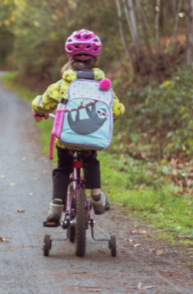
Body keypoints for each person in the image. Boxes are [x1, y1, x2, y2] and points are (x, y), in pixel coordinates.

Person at [31, 29, 125, 224]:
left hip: (66, 140)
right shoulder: (103, 85)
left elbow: (43, 103)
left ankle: (56, 206)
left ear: (69, 56)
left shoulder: (63, 84)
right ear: (96, 58)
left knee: (62, 169)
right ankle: (97, 198)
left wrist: (37, 108)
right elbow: (116, 110)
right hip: (91, 140)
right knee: (91, 162)